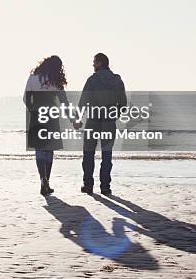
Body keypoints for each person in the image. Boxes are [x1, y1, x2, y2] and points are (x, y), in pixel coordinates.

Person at [78, 52, 127, 196]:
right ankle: (105, 187)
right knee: (107, 155)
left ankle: (88, 185)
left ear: (99, 63)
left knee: (88, 154)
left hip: (93, 121)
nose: (93, 64)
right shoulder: (117, 80)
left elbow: (82, 102)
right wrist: (114, 115)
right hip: (109, 123)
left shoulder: (92, 80)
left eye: (94, 62)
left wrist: (77, 119)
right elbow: (123, 104)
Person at [23, 55, 69, 196]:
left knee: (39, 150)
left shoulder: (33, 78)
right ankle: (46, 181)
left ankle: (43, 180)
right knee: (49, 150)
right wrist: (73, 119)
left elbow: (25, 98)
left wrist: (32, 109)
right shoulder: (56, 81)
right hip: (51, 117)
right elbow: (64, 102)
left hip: (36, 116)